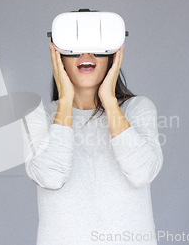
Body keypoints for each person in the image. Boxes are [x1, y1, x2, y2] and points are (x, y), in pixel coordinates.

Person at [22, 38, 163, 244]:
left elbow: (142, 173)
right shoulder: (37, 116)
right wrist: (65, 101)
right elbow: (50, 177)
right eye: (74, 45)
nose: (86, 53)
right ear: (58, 56)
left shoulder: (137, 108)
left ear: (111, 55)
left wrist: (108, 100)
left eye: (97, 45)